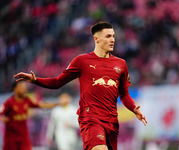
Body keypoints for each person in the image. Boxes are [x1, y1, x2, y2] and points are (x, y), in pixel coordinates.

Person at [14, 21, 147, 150]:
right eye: (108, 36)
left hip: (112, 121)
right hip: (91, 118)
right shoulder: (81, 61)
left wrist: (134, 109)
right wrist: (36, 80)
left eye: (113, 36)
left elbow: (124, 94)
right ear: (97, 39)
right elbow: (57, 82)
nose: (112, 40)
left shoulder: (121, 64)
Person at [0, 81, 65, 150]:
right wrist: (2, 118)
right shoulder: (9, 102)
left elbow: (41, 104)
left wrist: (58, 103)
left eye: (25, 87)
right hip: (11, 138)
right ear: (15, 89)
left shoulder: (27, 100)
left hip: (23, 137)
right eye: (21, 87)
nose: (24, 89)